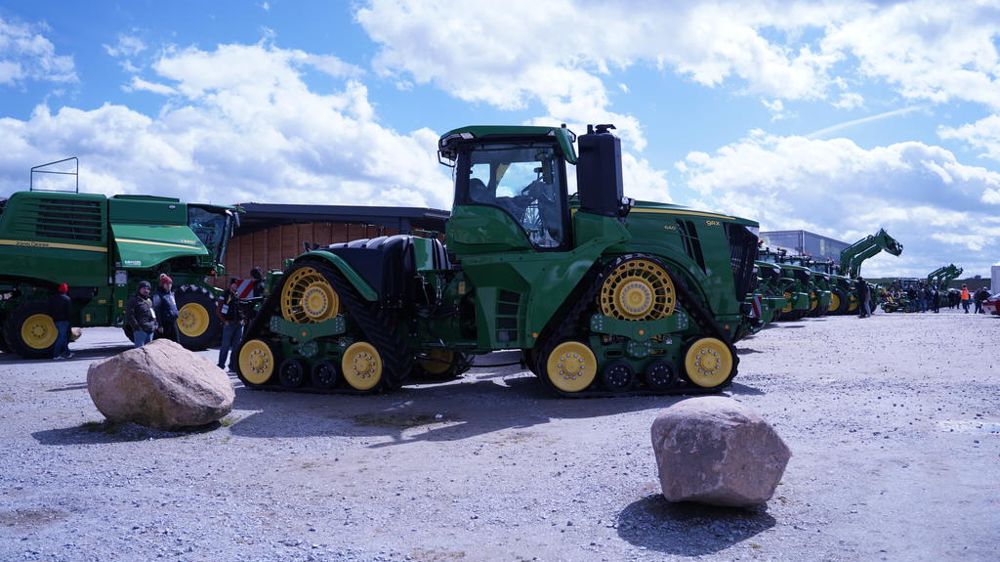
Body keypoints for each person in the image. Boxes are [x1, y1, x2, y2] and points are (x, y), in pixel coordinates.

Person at [217, 278, 245, 371]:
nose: (237, 286)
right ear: (231, 285)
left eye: (238, 285)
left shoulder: (239, 295)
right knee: (225, 346)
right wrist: (224, 321)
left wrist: (243, 320)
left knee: (236, 347)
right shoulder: (225, 295)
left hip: (239, 324)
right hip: (229, 324)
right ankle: (221, 365)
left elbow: (243, 309)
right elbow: (219, 310)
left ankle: (232, 366)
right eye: (235, 284)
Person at [125, 281, 157, 347]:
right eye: (144, 288)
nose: (146, 290)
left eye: (148, 289)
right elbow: (129, 315)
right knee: (140, 351)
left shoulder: (149, 301)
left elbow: (153, 314)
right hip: (140, 331)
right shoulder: (133, 300)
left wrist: (155, 325)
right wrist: (137, 327)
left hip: (150, 330)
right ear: (139, 289)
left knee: (149, 351)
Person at [49, 282, 73, 359]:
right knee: (61, 337)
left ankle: (68, 353)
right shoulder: (67, 299)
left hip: (56, 320)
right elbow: (69, 312)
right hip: (64, 321)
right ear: (66, 290)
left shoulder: (53, 298)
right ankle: (56, 355)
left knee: (63, 337)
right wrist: (69, 320)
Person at [152, 273, 179, 341]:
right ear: (162, 285)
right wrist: (160, 325)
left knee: (176, 343)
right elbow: (157, 311)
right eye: (167, 284)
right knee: (164, 343)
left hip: (173, 322)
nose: (169, 285)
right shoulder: (158, 295)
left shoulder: (171, 294)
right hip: (164, 324)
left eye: (170, 283)